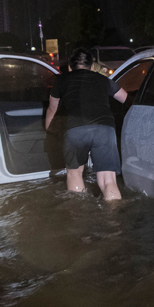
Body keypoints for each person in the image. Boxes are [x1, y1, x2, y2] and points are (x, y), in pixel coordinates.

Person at [44, 48, 128, 201]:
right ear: (92, 67)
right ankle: (114, 218)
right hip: (104, 129)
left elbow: (52, 108)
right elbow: (126, 99)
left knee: (74, 173)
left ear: (70, 67)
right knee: (108, 180)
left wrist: (49, 130)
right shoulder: (104, 80)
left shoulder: (61, 80)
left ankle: (79, 216)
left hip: (75, 129)